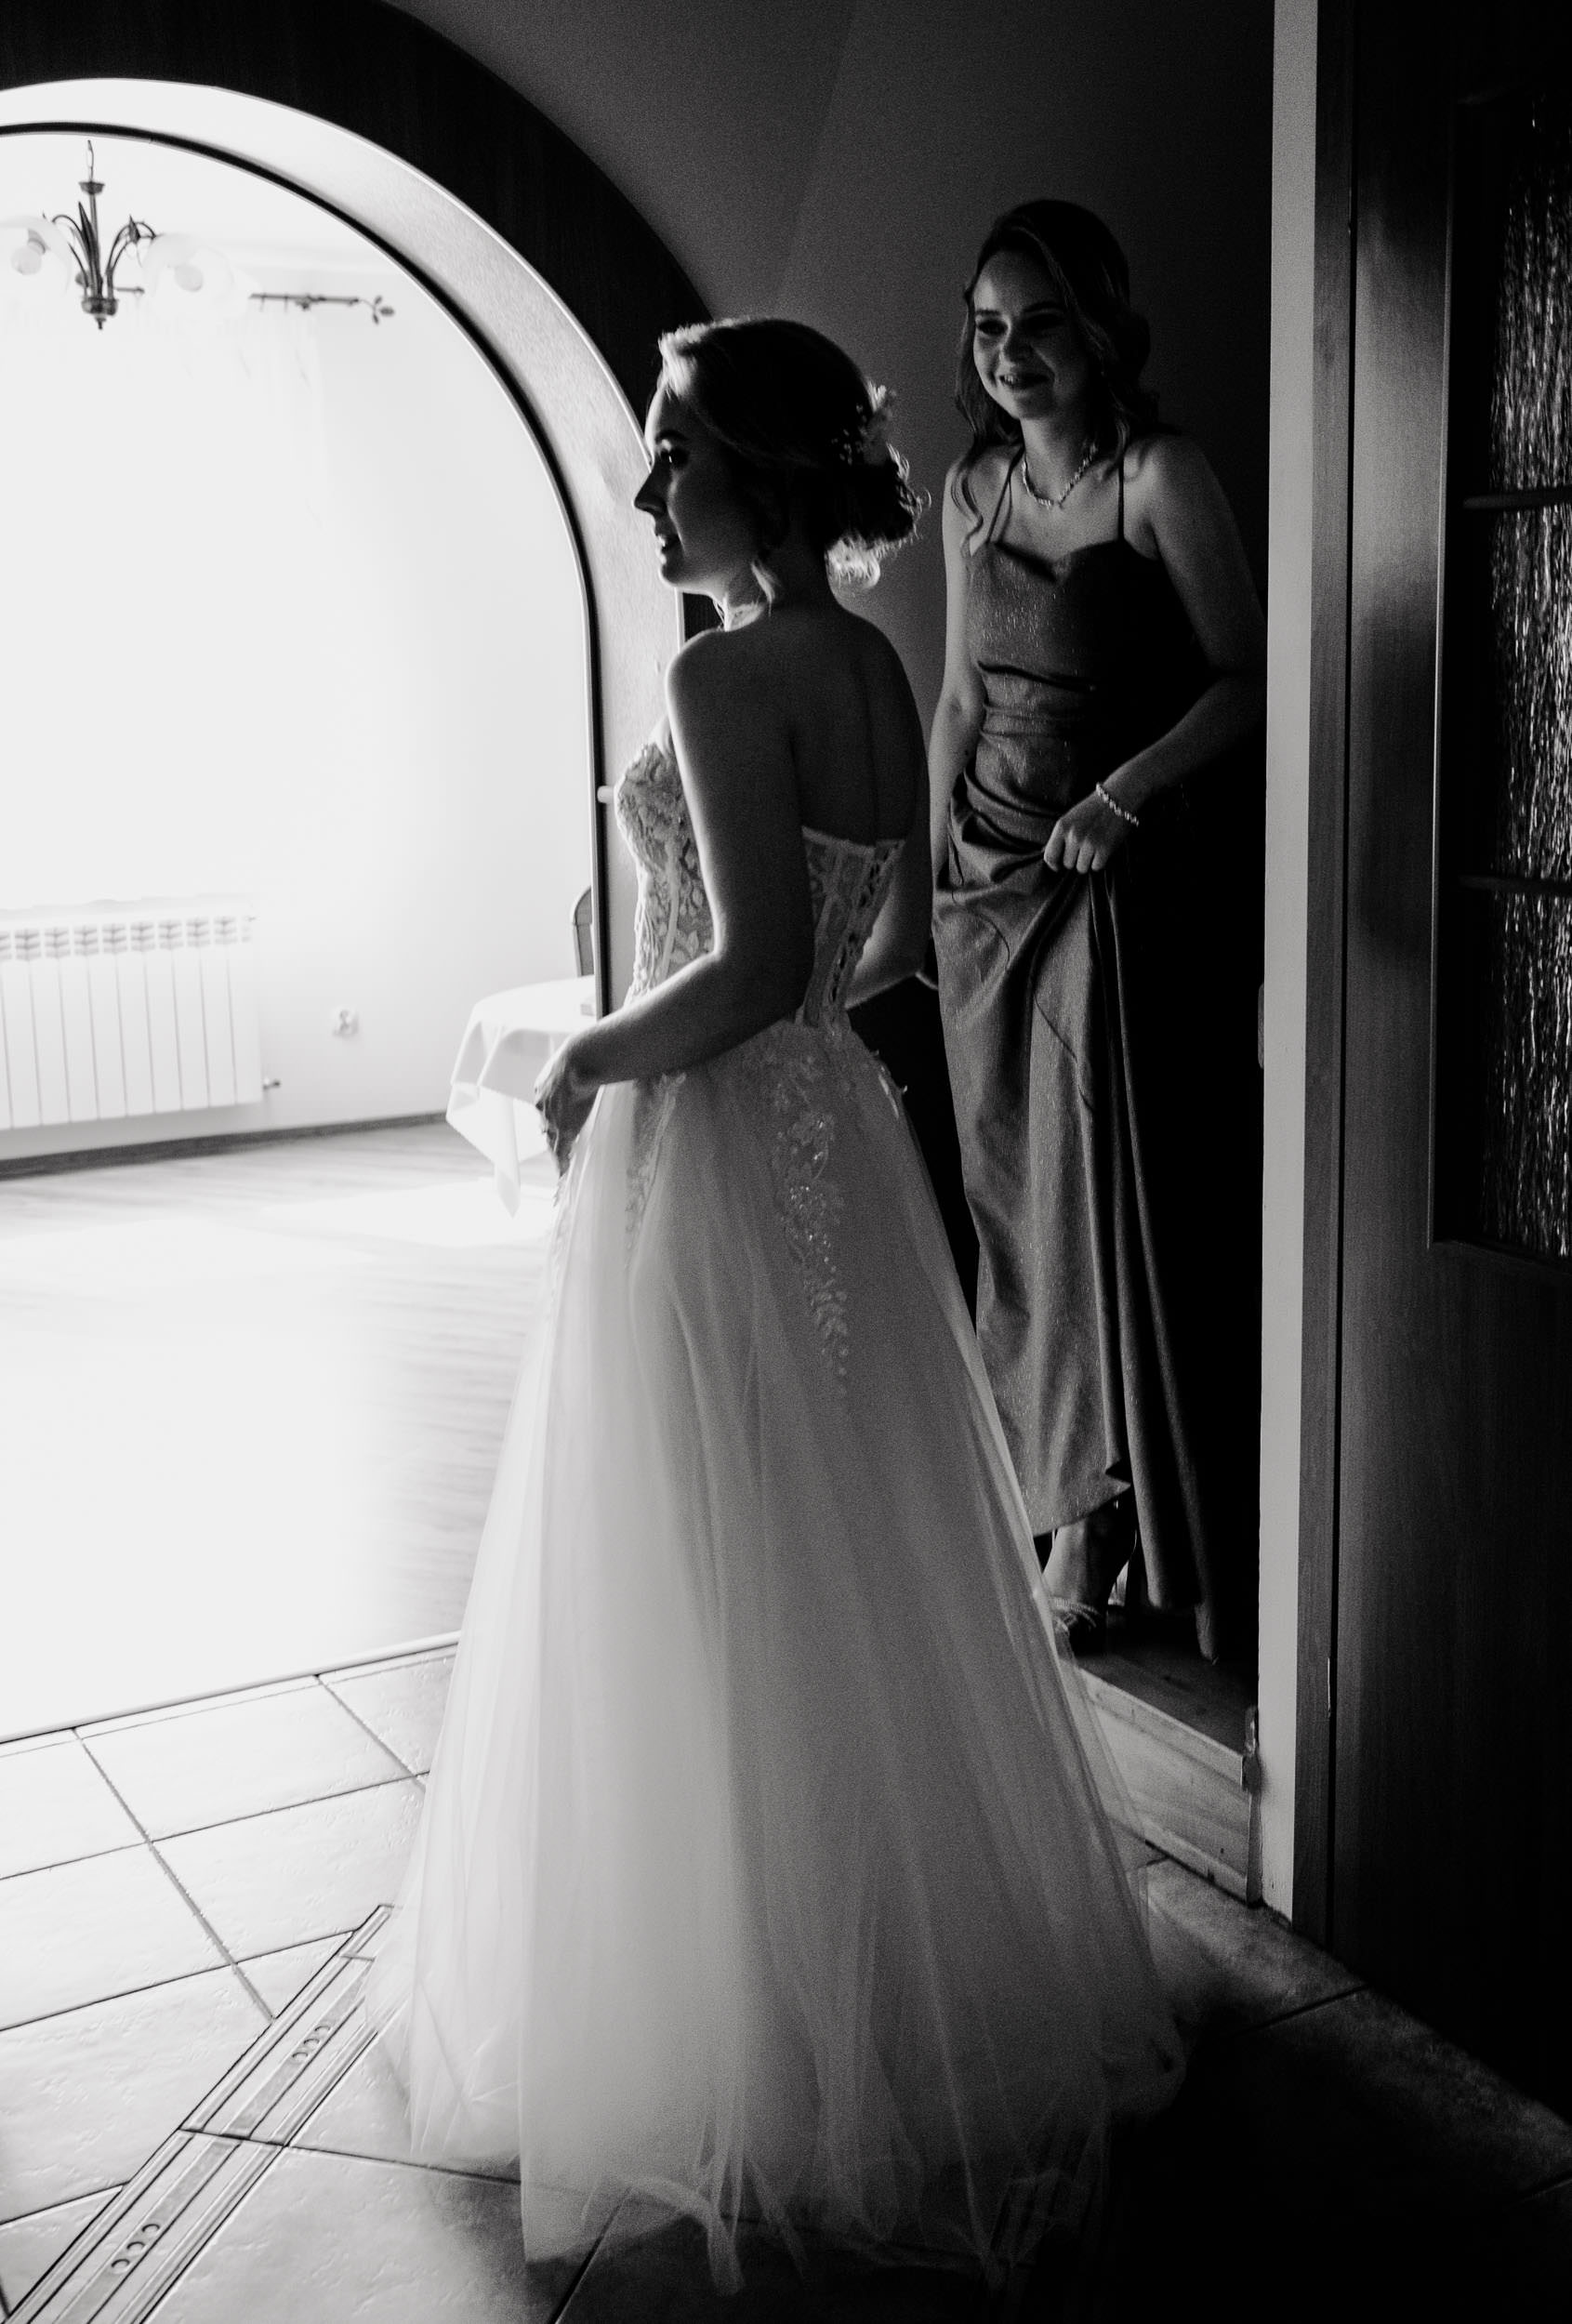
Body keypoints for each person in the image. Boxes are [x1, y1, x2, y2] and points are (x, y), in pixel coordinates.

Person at [370, 317, 1182, 2294]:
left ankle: (732, 2014)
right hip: (837, 1126)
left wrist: (589, 1052)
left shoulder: (718, 668)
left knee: (695, 1553)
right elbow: (867, 941)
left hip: (721, 1140)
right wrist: (744, 990)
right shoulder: (872, 659)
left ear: (762, 471)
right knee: (842, 1542)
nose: (654, 489)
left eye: (677, 455)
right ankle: (891, 1970)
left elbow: (734, 969)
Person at [930, 203, 1267, 1660]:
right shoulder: (974, 488)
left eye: (1041, 323)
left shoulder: (1157, 478)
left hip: (1114, 880)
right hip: (987, 882)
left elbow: (1251, 676)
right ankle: (1049, 1482)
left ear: (1101, 328)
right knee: (1012, 1201)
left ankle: (1108, 1516)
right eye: (988, 328)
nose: (1010, 354)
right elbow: (958, 693)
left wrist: (1126, 795)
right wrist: (927, 871)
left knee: (1094, 1193)